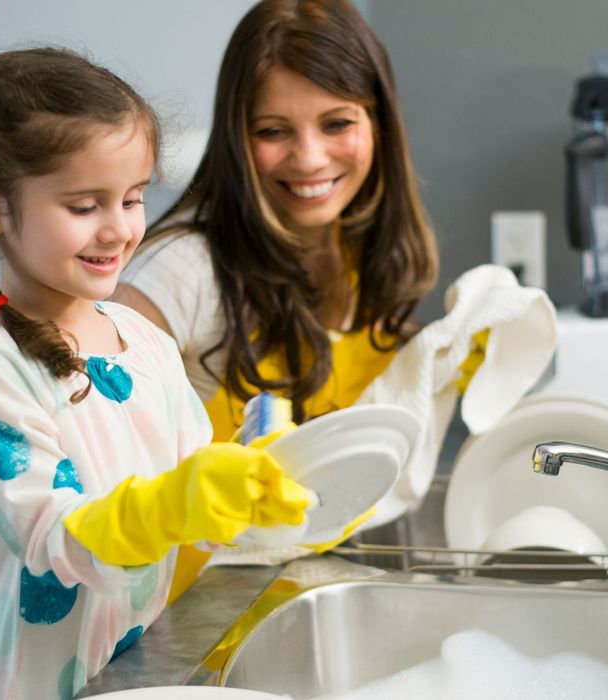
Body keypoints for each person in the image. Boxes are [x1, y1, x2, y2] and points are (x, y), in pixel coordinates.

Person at [0, 47, 313, 700]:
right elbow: (56, 539)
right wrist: (178, 501)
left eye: (132, 199)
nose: (119, 229)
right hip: (31, 684)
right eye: (84, 206)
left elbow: (189, 472)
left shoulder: (142, 341)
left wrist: (255, 456)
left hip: (135, 667)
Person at [114, 0, 442, 441]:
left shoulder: (367, 245)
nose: (309, 159)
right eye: (272, 130)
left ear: (379, 122)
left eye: (337, 124)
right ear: (237, 136)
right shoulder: (179, 270)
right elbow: (99, 448)